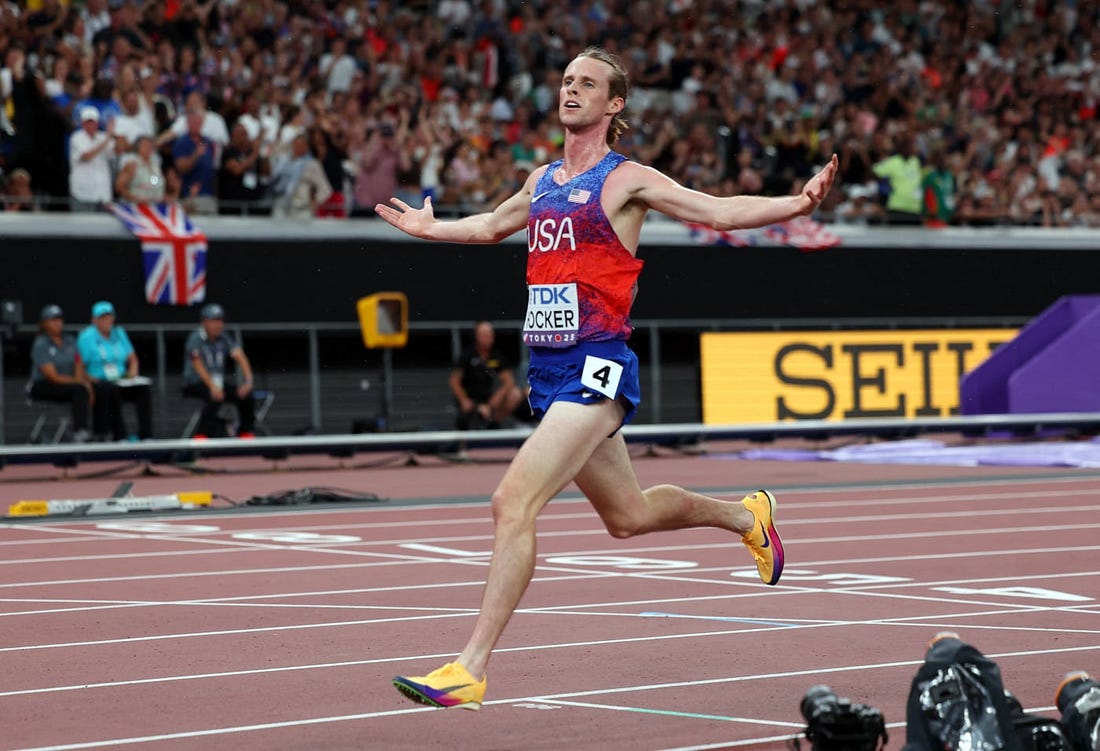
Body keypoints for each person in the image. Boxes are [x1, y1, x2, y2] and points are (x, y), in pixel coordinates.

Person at [376, 46, 837, 710]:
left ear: (613, 104)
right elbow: (491, 225)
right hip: (549, 372)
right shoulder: (541, 182)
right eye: (564, 80)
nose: (570, 90)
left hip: (597, 368)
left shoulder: (628, 181)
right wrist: (432, 227)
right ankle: (745, 516)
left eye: (586, 83)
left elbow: (716, 211)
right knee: (628, 515)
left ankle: (470, 666)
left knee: (513, 502)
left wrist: (796, 203)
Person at [76, 300, 153, 440]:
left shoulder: (119, 333)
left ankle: (146, 435)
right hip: (98, 381)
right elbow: (79, 367)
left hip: (121, 379)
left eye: (109, 316)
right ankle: (119, 435)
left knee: (143, 388)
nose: (107, 320)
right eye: (102, 317)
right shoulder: (86, 337)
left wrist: (132, 372)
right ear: (94, 320)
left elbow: (133, 358)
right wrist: (88, 381)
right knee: (109, 389)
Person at [181, 303, 256, 439]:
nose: (219, 325)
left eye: (221, 320)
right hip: (196, 382)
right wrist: (213, 387)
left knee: (245, 395)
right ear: (204, 321)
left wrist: (248, 381)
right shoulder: (195, 338)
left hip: (217, 383)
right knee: (214, 397)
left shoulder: (225, 337)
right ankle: (202, 435)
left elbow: (240, 357)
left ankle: (244, 432)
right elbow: (197, 365)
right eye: (214, 320)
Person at [26, 304, 93, 443]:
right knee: (80, 389)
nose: (57, 323)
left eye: (59, 319)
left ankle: (102, 433)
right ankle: (81, 431)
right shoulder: (41, 343)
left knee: (94, 388)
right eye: (53, 319)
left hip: (67, 385)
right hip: (42, 384)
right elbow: (52, 376)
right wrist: (80, 382)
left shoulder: (70, 340)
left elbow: (78, 363)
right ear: (44, 323)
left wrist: (82, 381)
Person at [450, 321, 526, 430]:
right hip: (470, 398)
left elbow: (509, 380)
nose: (488, 338)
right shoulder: (467, 355)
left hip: (489, 399)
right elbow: (454, 381)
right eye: (484, 335)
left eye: (490, 334)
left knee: (516, 394)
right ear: (477, 336)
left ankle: (493, 421)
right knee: (470, 414)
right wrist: (464, 399)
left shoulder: (496, 356)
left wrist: (498, 397)